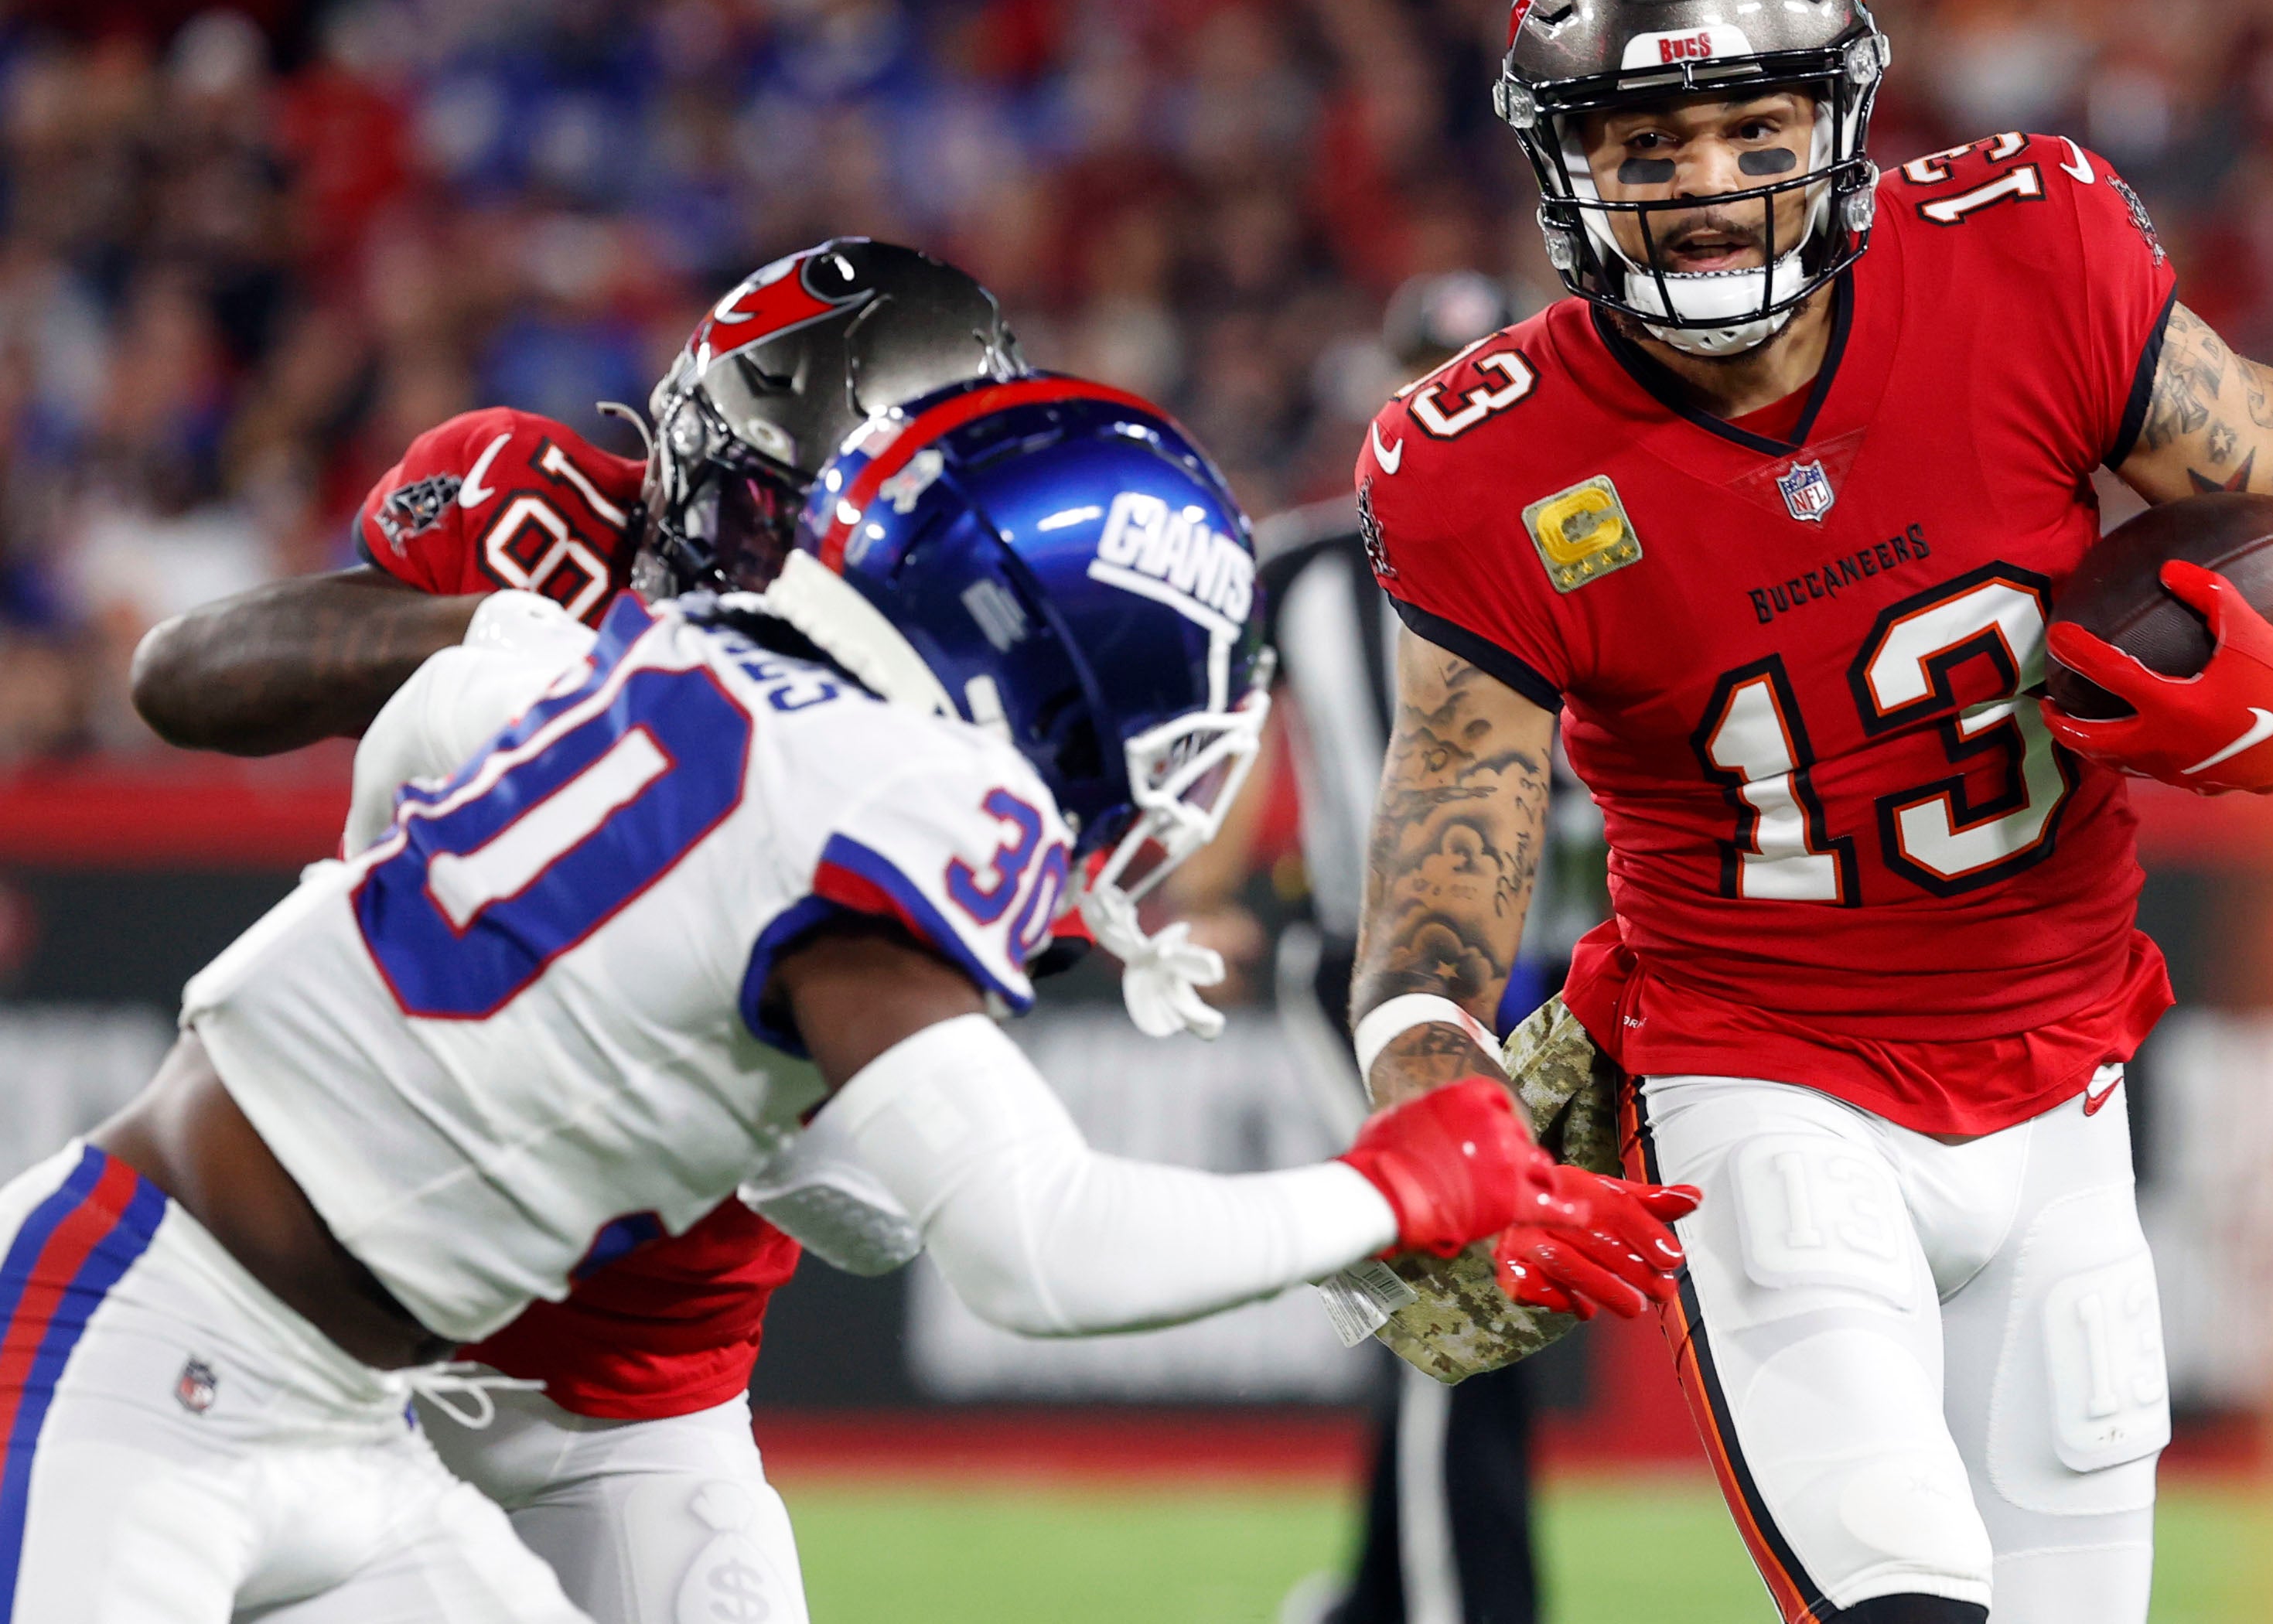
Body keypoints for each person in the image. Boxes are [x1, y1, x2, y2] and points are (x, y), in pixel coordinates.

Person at [17, 379, 1695, 1622]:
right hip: (130, 1355)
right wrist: (1396, 1189)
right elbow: (1041, 1249)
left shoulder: (668, 657)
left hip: (337, 1405)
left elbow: (425, 750)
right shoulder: (895, 798)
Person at [1350, 0, 2273, 1624]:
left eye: (1747, 127)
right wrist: (1433, 1086)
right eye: (1645, 146)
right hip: (1761, 1086)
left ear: (1837, 117)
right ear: (1561, 167)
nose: (1712, 190)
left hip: (2066, 1093)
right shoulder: (1488, 463)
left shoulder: (2032, 260)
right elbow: (1449, 829)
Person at [125, 237, 1037, 1624]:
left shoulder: (976, 711)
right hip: (321, 1340)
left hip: (628, 1404)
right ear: (683, 464)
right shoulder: (532, 528)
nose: (790, 584)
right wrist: (488, 645)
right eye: (763, 522)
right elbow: (186, 677)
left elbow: (884, 1205)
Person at [1240, 270, 1601, 1624]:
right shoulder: (1307, 561)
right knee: (1458, 1291)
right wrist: (1212, 889)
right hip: (1369, 969)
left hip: (1552, 972)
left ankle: (1388, 1594)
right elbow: (1234, 754)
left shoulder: (1582, 531)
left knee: (1465, 1304)